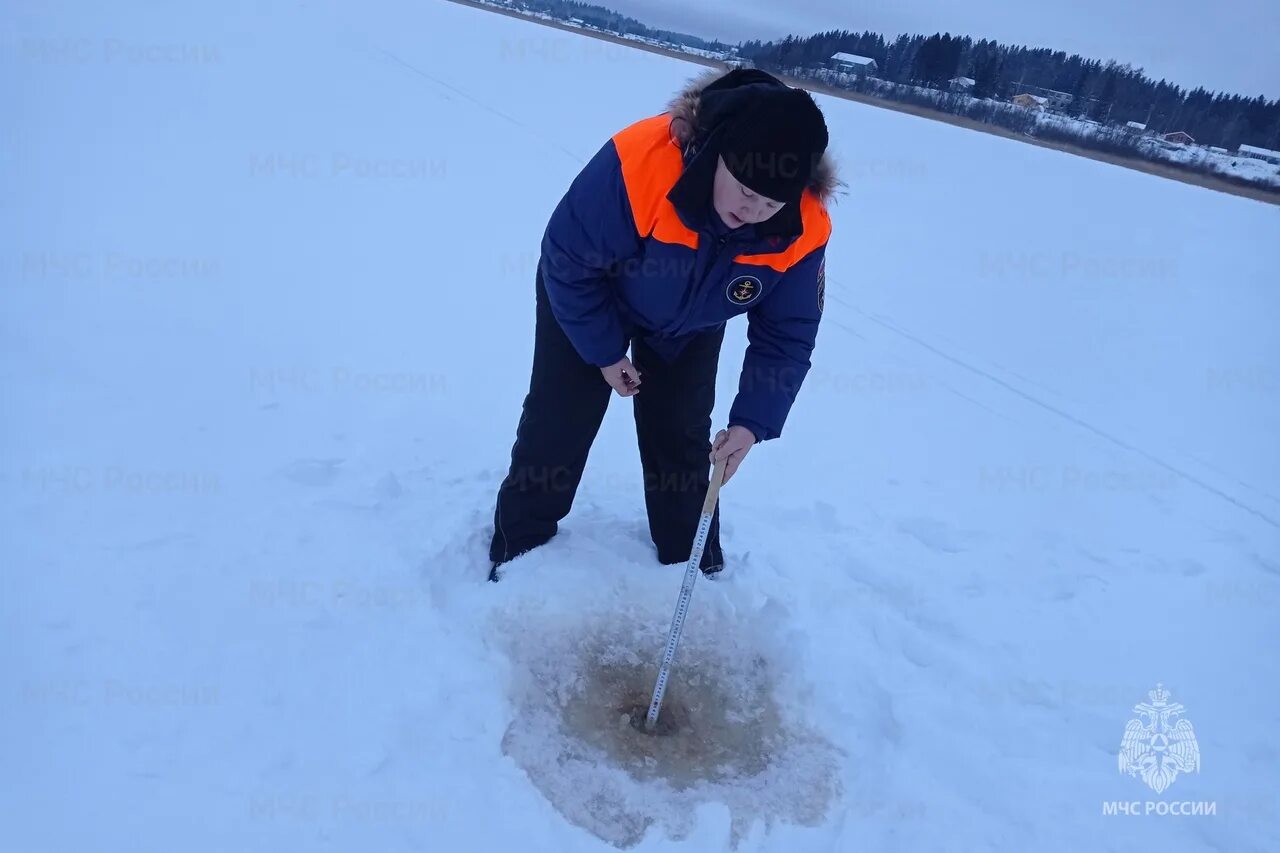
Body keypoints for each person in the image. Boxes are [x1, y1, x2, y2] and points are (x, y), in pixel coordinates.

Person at [488, 68, 838, 582]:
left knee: (682, 435)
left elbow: (788, 333)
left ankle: (693, 566)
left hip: (691, 322)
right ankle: (518, 550)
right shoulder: (641, 164)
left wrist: (752, 422)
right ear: (718, 153)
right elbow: (567, 260)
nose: (753, 210)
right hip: (590, 296)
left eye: (770, 203)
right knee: (559, 421)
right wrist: (606, 354)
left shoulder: (804, 228)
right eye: (744, 190)